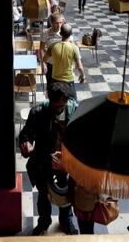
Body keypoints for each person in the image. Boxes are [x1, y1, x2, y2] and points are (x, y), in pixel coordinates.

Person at [19, 82, 79, 236]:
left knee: (66, 193)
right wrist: (26, 144)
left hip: (66, 163)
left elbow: (82, 139)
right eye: (55, 106)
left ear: (66, 101)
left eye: (61, 106)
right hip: (43, 161)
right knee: (43, 195)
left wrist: (69, 161)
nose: (58, 109)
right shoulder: (38, 112)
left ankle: (66, 221)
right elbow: (26, 134)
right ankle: (44, 222)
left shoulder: (76, 112)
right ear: (49, 100)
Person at [43, 24, 85, 100]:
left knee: (55, 101)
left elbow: (44, 59)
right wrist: (82, 76)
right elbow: (79, 66)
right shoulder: (74, 48)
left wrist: (45, 64)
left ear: (60, 33)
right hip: (68, 81)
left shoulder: (53, 46)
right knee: (74, 103)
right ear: (71, 34)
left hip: (55, 79)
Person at [40, 13, 66, 87]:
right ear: (52, 23)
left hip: (62, 65)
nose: (59, 25)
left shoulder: (64, 33)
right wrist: (43, 64)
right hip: (50, 64)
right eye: (56, 23)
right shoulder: (46, 33)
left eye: (61, 23)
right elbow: (41, 48)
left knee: (62, 87)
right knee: (51, 86)